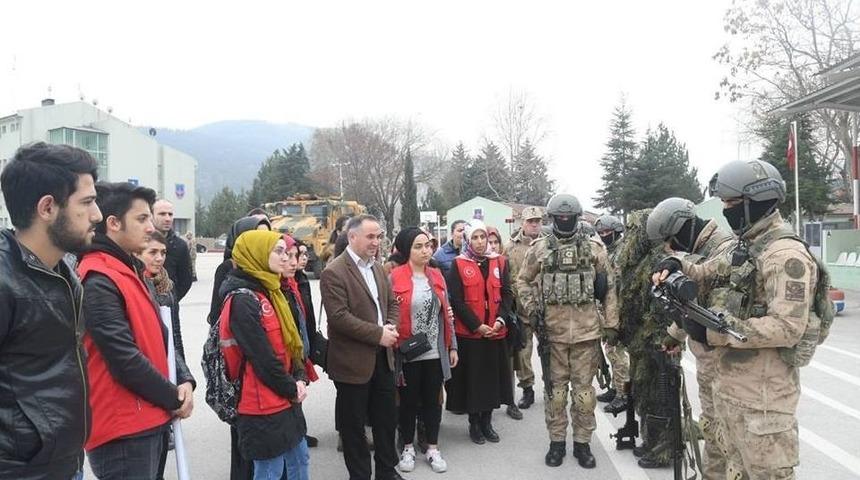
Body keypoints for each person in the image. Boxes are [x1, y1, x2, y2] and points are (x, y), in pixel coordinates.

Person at [653, 160, 823, 479]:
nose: (726, 211)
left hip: (764, 401)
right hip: (730, 391)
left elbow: (787, 328)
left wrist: (713, 332)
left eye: (731, 204)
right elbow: (709, 272)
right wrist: (677, 266)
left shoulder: (785, 255)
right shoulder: (745, 246)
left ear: (756, 201)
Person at [79, 182, 195, 479]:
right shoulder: (98, 277)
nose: (151, 226)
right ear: (113, 223)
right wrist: (172, 397)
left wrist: (183, 380)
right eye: (141, 219)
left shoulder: (129, 271)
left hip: (148, 419)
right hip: (124, 432)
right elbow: (124, 359)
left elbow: (160, 338)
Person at [0, 142, 102, 480]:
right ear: (47, 208)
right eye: (86, 202)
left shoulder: (64, 274)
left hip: (65, 463)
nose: (97, 215)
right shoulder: (4, 280)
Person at [516, 194, 619, 469]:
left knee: (585, 395)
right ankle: (557, 443)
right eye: (559, 217)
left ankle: (583, 443)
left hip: (587, 335)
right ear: (552, 219)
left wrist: (611, 325)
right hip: (553, 335)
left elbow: (609, 289)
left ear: (576, 218)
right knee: (555, 393)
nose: (564, 221)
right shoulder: (539, 248)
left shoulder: (595, 249)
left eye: (568, 217)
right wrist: (532, 309)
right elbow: (523, 280)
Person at [645, 197, 734, 474]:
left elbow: (719, 302)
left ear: (683, 228)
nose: (670, 247)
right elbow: (691, 307)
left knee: (730, 436)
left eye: (671, 240)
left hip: (730, 363)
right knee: (712, 428)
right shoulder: (695, 250)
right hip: (708, 361)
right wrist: (673, 335)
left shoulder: (724, 248)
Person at [219, 230, 310, 480]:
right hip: (262, 403)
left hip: (285, 394)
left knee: (300, 460)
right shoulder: (243, 300)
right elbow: (262, 358)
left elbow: (293, 345)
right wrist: (291, 388)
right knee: (269, 470)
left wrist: (300, 376)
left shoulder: (273, 290)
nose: (285, 257)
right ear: (257, 254)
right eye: (278, 251)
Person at [320, 214, 403, 480]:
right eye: (370, 236)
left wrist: (389, 326)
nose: (376, 242)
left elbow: (392, 303)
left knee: (386, 421)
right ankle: (360, 475)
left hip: (384, 358)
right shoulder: (334, 271)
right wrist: (378, 334)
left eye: (378, 236)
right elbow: (339, 318)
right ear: (352, 236)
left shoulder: (377, 267)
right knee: (354, 428)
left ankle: (387, 472)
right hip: (352, 363)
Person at [389, 227, 458, 474]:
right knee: (407, 402)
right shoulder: (394, 277)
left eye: (428, 245)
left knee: (433, 401)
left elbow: (447, 314)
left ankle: (432, 447)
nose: (425, 251)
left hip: (434, 353)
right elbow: (389, 314)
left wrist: (452, 346)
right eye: (418, 246)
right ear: (407, 250)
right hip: (407, 352)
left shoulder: (437, 275)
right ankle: (407, 446)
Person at [444, 220, 514, 445]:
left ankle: (487, 421)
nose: (480, 242)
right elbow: (456, 299)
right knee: (474, 382)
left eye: (483, 237)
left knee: (492, 381)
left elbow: (507, 294)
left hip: (495, 333)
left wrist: (501, 320)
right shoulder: (458, 263)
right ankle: (474, 423)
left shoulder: (500, 262)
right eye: (474, 237)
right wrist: (477, 325)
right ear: (467, 240)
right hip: (471, 335)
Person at [504, 206, 544, 413]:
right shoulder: (510, 247)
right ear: (523, 223)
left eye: (537, 220)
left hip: (546, 310)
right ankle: (527, 388)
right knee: (523, 353)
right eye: (530, 221)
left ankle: (553, 387)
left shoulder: (549, 244)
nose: (534, 224)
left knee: (550, 351)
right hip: (521, 310)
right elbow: (506, 277)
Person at [593, 214, 632, 415]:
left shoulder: (624, 252)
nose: (604, 236)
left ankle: (623, 394)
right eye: (601, 233)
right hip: (609, 309)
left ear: (617, 231)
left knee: (618, 354)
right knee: (610, 351)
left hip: (622, 310)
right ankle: (617, 388)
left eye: (607, 232)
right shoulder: (608, 252)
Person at [486, 226, 524, 421]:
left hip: (508, 318)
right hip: (487, 324)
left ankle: (511, 402)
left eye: (495, 242)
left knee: (510, 363)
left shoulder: (504, 262)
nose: (492, 246)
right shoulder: (481, 263)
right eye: (488, 242)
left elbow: (513, 288)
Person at [152, 199, 193, 301]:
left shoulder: (180, 246)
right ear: (151, 216)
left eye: (170, 214)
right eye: (162, 214)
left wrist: (172, 298)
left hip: (170, 308)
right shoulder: (140, 242)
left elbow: (186, 280)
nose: (167, 218)